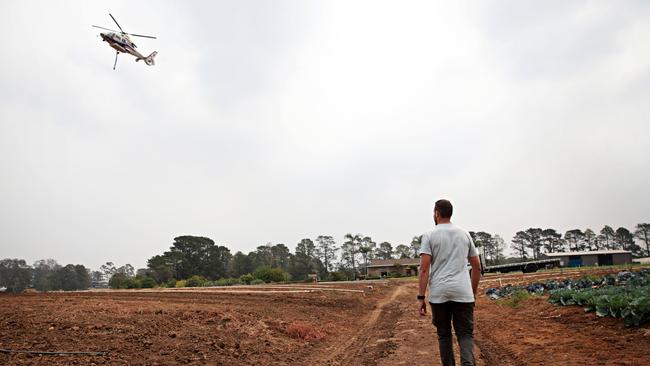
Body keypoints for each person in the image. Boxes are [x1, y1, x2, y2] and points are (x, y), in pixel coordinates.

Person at [417, 199, 481, 366]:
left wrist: (421, 297)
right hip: (463, 292)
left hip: (439, 294)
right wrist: (472, 291)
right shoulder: (464, 234)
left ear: (437, 213)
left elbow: (424, 270)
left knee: (444, 334)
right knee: (465, 334)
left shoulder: (429, 236)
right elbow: (477, 266)